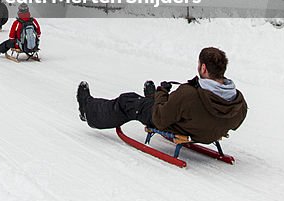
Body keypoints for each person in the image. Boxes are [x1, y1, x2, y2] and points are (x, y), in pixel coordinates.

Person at [76, 46, 247, 145]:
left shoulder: (189, 95)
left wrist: (162, 92)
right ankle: (152, 98)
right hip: (205, 131)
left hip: (175, 124)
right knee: (171, 102)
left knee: (128, 101)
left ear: (203, 68)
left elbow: (160, 119)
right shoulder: (238, 101)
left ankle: (87, 111)